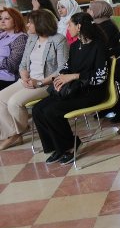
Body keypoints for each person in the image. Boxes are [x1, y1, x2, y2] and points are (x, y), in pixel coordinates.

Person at [32, 13, 109, 165]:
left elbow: (100, 77)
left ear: (79, 26)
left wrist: (74, 76)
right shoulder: (75, 46)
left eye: (70, 24)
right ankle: (57, 148)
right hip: (74, 90)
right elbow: (66, 67)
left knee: (52, 110)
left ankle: (70, 146)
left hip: (91, 92)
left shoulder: (98, 46)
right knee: (38, 109)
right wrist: (60, 79)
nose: (68, 28)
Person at [0, 10, 67, 150]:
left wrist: (40, 82)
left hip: (46, 83)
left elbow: (62, 69)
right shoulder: (32, 38)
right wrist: (24, 75)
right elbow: (23, 63)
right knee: (0, 98)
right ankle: (14, 134)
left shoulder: (58, 39)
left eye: (30, 22)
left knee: (14, 102)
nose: (27, 25)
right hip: (27, 80)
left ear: (40, 23)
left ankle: (17, 133)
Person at [0, 8, 28, 90]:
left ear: (16, 20)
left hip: (7, 78)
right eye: (1, 18)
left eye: (7, 18)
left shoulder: (21, 38)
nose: (2, 21)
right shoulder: (2, 35)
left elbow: (12, 65)